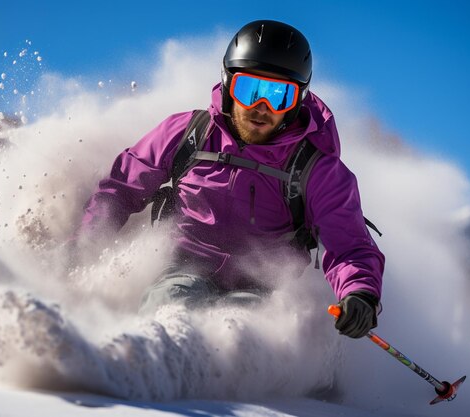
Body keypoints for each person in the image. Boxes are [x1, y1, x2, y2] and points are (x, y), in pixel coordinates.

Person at [79, 20, 385, 339]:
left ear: (298, 102)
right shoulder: (189, 134)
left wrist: (359, 293)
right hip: (185, 267)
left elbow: (349, 242)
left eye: (279, 96)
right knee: (170, 303)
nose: (261, 107)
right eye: (248, 89)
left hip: (263, 287)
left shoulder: (316, 168)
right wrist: (85, 249)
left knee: (245, 331)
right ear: (227, 83)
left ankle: (278, 377)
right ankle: (149, 361)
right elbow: (119, 189)